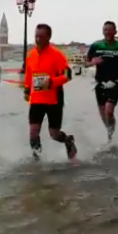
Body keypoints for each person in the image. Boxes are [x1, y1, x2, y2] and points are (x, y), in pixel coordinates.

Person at [23, 24, 77, 160]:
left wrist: (52, 82)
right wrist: (26, 90)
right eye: (36, 35)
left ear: (48, 37)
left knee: (54, 134)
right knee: (33, 132)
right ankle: (38, 160)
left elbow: (67, 75)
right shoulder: (31, 55)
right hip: (36, 99)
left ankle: (67, 140)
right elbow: (28, 75)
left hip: (54, 98)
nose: (37, 39)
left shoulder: (57, 55)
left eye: (41, 36)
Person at [85, 21, 118, 141]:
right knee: (103, 113)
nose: (107, 32)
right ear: (103, 31)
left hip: (115, 82)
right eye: (105, 30)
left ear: (115, 32)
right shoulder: (96, 46)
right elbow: (86, 62)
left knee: (109, 111)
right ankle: (110, 131)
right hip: (100, 83)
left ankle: (111, 134)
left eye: (109, 30)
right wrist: (93, 62)